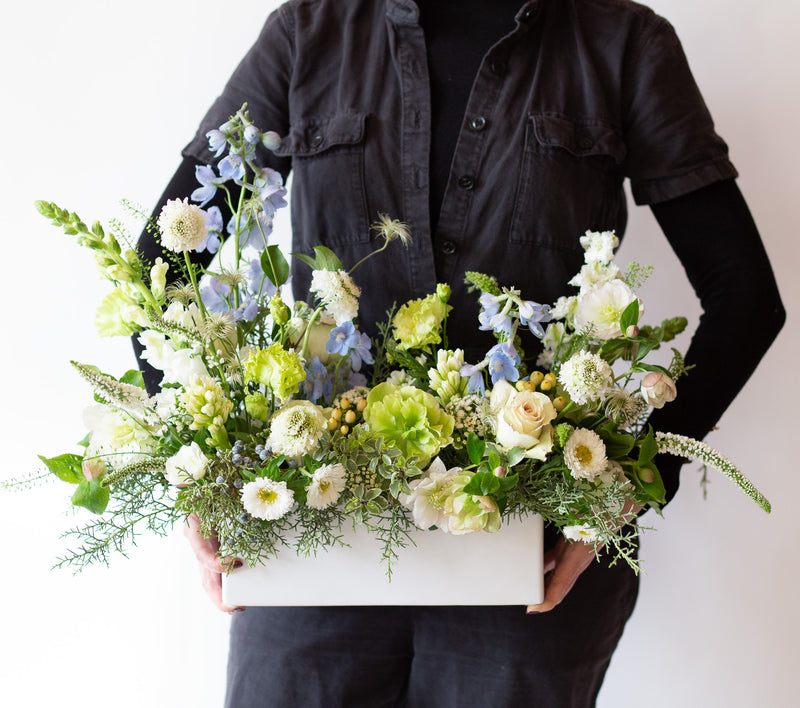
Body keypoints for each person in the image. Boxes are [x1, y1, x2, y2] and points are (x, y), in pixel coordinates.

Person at [136, 1, 785, 705]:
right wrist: (200, 478)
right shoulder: (311, 31)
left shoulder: (621, 43)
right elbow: (161, 267)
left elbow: (745, 298)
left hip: (529, 548)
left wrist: (622, 492)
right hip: (314, 534)